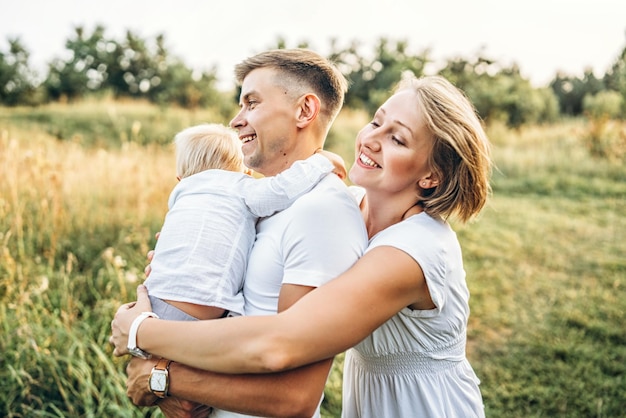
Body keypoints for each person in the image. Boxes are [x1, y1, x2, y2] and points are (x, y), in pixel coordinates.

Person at [111, 73, 492, 417]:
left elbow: (280, 343)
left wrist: (140, 333)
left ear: (431, 176)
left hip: (423, 406)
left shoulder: (413, 251)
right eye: (376, 121)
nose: (372, 139)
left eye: (397, 138)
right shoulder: (351, 203)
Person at [115, 49, 369, 418]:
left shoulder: (321, 212)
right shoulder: (252, 204)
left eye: (251, 103)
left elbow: (294, 397)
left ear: (304, 111)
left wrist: (161, 377)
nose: (236, 121)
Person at [144, 122, 346, 323]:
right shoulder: (240, 187)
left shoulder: (183, 195)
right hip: (201, 305)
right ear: (247, 173)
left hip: (153, 296)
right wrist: (321, 161)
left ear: (180, 178)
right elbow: (281, 190)